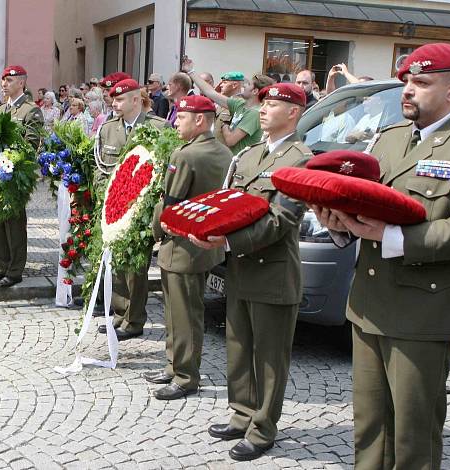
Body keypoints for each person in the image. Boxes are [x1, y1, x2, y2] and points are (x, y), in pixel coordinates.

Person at [311, 42, 450, 470]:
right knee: (369, 426)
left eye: (421, 83)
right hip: (369, 305)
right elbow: (367, 208)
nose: (407, 91)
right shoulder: (391, 139)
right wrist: (340, 225)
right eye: (406, 82)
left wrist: (392, 236)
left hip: (422, 314)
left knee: (414, 433)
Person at [188, 83, 312, 461]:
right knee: (238, 345)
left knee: (270, 356)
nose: (263, 110)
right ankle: (242, 412)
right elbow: (229, 203)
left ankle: (263, 428)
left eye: (272, 104)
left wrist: (225, 244)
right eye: (264, 103)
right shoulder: (249, 154)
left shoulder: (300, 158)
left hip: (273, 272)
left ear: (293, 112)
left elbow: (281, 219)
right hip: (241, 268)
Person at [146, 95, 231, 400]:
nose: (176, 122)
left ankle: (184, 375)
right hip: (205, 245)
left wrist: (152, 229)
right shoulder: (223, 151)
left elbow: (170, 205)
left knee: (182, 314)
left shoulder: (185, 156)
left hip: (181, 245)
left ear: (199, 120)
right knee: (184, 311)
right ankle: (174, 365)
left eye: (181, 117)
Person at [94, 78, 167, 340]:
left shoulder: (158, 128)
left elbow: (163, 170)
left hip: (141, 211)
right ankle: (119, 314)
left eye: (120, 99)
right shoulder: (109, 129)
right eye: (113, 99)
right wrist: (104, 198)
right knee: (116, 265)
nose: (114, 103)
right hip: (114, 208)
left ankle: (134, 320)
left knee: (136, 268)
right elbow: (101, 167)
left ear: (136, 99)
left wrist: (149, 206)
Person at [0, 65, 43, 289]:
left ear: (21, 83)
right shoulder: (1, 110)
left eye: (9, 80)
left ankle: (15, 270)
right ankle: (1, 266)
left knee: (15, 223)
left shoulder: (30, 110)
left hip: (16, 173)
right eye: (3, 80)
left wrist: (11, 160)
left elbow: (32, 143)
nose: (4, 84)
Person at [188, 59, 273, 155]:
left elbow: (231, 140)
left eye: (248, 84)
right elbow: (211, 93)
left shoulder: (255, 112)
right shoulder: (240, 105)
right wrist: (190, 71)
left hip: (239, 165)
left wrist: (224, 124)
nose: (244, 85)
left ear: (255, 91)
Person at [214, 72, 244, 146]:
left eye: (224, 82)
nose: (221, 85)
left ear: (234, 85)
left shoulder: (240, 105)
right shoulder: (221, 103)